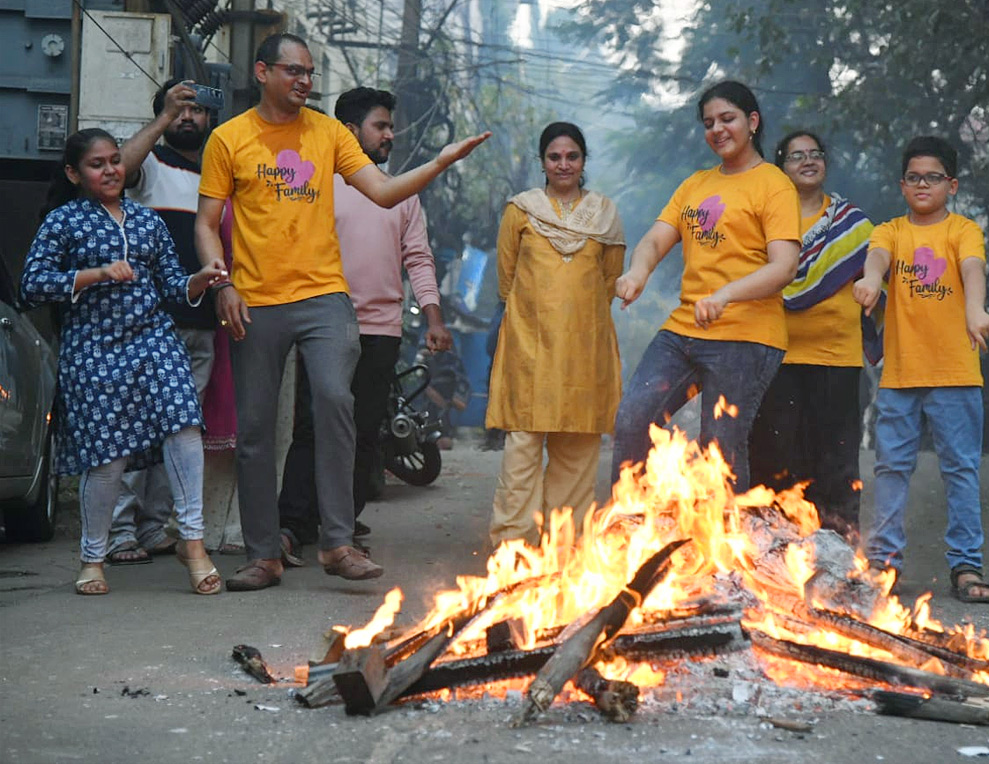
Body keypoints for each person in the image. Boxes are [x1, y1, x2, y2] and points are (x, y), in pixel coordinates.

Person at [194, 32, 489, 591]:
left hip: (325, 297)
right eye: (292, 70)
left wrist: (440, 163)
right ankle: (263, 554)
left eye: (309, 72)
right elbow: (207, 224)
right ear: (262, 72)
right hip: (255, 298)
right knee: (255, 430)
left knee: (334, 400)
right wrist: (221, 284)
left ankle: (336, 543)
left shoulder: (328, 133)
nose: (304, 80)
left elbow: (382, 191)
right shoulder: (228, 140)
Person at [20, 129, 227, 596]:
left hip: (154, 340)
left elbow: (173, 284)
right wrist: (95, 274)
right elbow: (30, 286)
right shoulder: (63, 222)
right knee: (107, 457)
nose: (112, 170)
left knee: (184, 425)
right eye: (98, 164)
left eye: (116, 160)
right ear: (74, 173)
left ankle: (192, 543)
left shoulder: (146, 221)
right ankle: (93, 557)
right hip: (94, 348)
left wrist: (200, 279)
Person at [277, 87, 452, 559]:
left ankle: (343, 527)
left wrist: (434, 318)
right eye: (381, 126)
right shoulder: (313, 185)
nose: (390, 134)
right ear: (350, 132)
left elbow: (419, 258)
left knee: (364, 429)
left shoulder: (403, 195)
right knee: (315, 426)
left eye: (390, 126)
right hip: (322, 324)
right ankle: (292, 526)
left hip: (382, 330)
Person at [611, 81, 802, 491]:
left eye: (727, 119)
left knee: (720, 448)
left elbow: (785, 266)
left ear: (752, 122)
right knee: (632, 420)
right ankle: (628, 532)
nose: (717, 129)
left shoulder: (774, 184)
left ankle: (728, 549)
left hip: (748, 336)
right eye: (709, 122)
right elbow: (656, 239)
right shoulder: (695, 185)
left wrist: (725, 295)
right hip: (684, 330)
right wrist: (637, 273)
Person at [852, 136, 989, 603]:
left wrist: (976, 311)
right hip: (899, 377)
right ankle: (884, 563)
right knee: (891, 468)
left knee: (961, 470)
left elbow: (973, 270)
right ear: (902, 184)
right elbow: (876, 259)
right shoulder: (891, 231)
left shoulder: (963, 231)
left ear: (950, 185)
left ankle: (967, 567)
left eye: (933, 177)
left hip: (956, 375)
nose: (922, 184)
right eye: (913, 177)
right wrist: (872, 280)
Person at [98, 79, 228, 565]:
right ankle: (119, 533)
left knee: (177, 432)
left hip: (199, 323)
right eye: (179, 109)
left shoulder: (219, 174)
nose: (188, 118)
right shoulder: (148, 163)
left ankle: (154, 529)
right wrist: (160, 120)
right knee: (133, 428)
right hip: (145, 322)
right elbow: (119, 169)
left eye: (196, 110)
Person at [486, 122, 625, 547]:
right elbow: (506, 280)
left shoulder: (605, 214)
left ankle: (563, 553)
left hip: (585, 348)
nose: (563, 164)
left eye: (572, 156)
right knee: (522, 449)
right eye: (554, 157)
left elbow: (608, 283)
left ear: (583, 161)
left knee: (579, 450)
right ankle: (514, 550)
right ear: (542, 162)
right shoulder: (521, 211)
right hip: (529, 346)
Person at [747, 130, 876, 539]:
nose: (807, 161)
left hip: (837, 358)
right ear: (780, 167)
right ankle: (775, 553)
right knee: (776, 461)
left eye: (815, 154)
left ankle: (838, 552)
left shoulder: (853, 225)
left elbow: (878, 283)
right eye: (796, 155)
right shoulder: (764, 220)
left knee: (835, 462)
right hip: (777, 356)